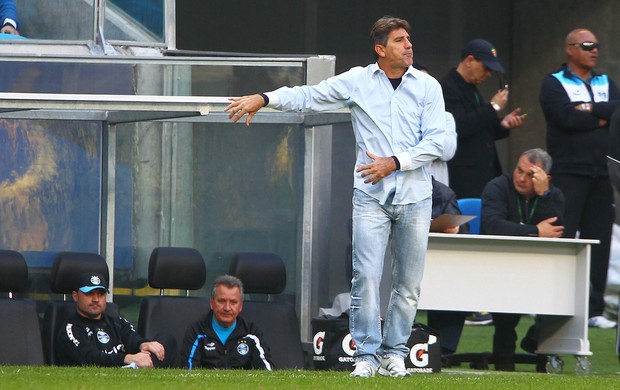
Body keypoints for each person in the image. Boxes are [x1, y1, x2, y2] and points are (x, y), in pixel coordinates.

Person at [225, 16, 446, 378]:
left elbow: (435, 142)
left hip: (416, 197)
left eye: (409, 39)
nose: (409, 45)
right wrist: (264, 98)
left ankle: (395, 353)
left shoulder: (427, 86)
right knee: (365, 278)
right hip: (370, 196)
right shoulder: (357, 81)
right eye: (400, 40)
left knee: (407, 284)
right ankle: (367, 357)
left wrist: (394, 163)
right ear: (380, 49)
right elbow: (308, 96)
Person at [540, 28, 620, 329]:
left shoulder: (606, 82)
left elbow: (617, 111)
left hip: (602, 173)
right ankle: (549, 304)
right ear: (570, 49)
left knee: (598, 241)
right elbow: (565, 119)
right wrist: (600, 116)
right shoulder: (553, 82)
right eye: (587, 46)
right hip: (568, 173)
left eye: (596, 45)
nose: (594, 50)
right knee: (563, 237)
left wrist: (588, 109)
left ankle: (594, 309)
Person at [481, 148, 565, 371]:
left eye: (530, 175)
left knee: (565, 287)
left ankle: (538, 343)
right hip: (500, 264)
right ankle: (503, 358)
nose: (521, 178)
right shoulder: (498, 186)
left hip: (541, 266)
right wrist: (535, 231)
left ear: (545, 179)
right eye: (519, 170)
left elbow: (556, 230)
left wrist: (544, 196)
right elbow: (492, 226)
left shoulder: (554, 195)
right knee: (508, 291)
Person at [441, 38, 526, 199]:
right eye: (486, 68)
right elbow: (459, 127)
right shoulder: (448, 88)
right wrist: (493, 107)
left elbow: (479, 128)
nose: (488, 74)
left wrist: (502, 125)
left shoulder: (472, 89)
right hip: (464, 177)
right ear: (470, 61)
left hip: (484, 174)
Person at [55, 272, 176, 368]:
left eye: (100, 294)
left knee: (165, 340)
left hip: (127, 371)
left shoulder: (117, 322)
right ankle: (140, 367)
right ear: (75, 296)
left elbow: (132, 339)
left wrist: (144, 345)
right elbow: (89, 357)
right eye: (90, 294)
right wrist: (126, 359)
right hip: (98, 381)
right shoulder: (71, 328)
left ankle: (141, 367)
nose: (96, 299)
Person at [180, 275, 273, 370]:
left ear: (240, 306)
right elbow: (188, 371)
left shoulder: (252, 333)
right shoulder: (197, 331)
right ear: (212, 303)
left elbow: (266, 372)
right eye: (222, 301)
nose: (227, 308)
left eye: (233, 302)